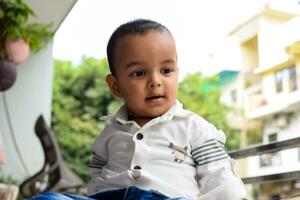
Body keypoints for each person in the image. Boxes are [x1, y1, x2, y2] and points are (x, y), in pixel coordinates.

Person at [29, 19, 247, 200]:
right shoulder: (109, 133)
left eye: (166, 70)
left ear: (177, 73)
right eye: (139, 73)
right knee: (48, 199)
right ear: (115, 86)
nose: (155, 81)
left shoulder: (194, 127)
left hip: (166, 197)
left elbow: (221, 178)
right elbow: (97, 177)